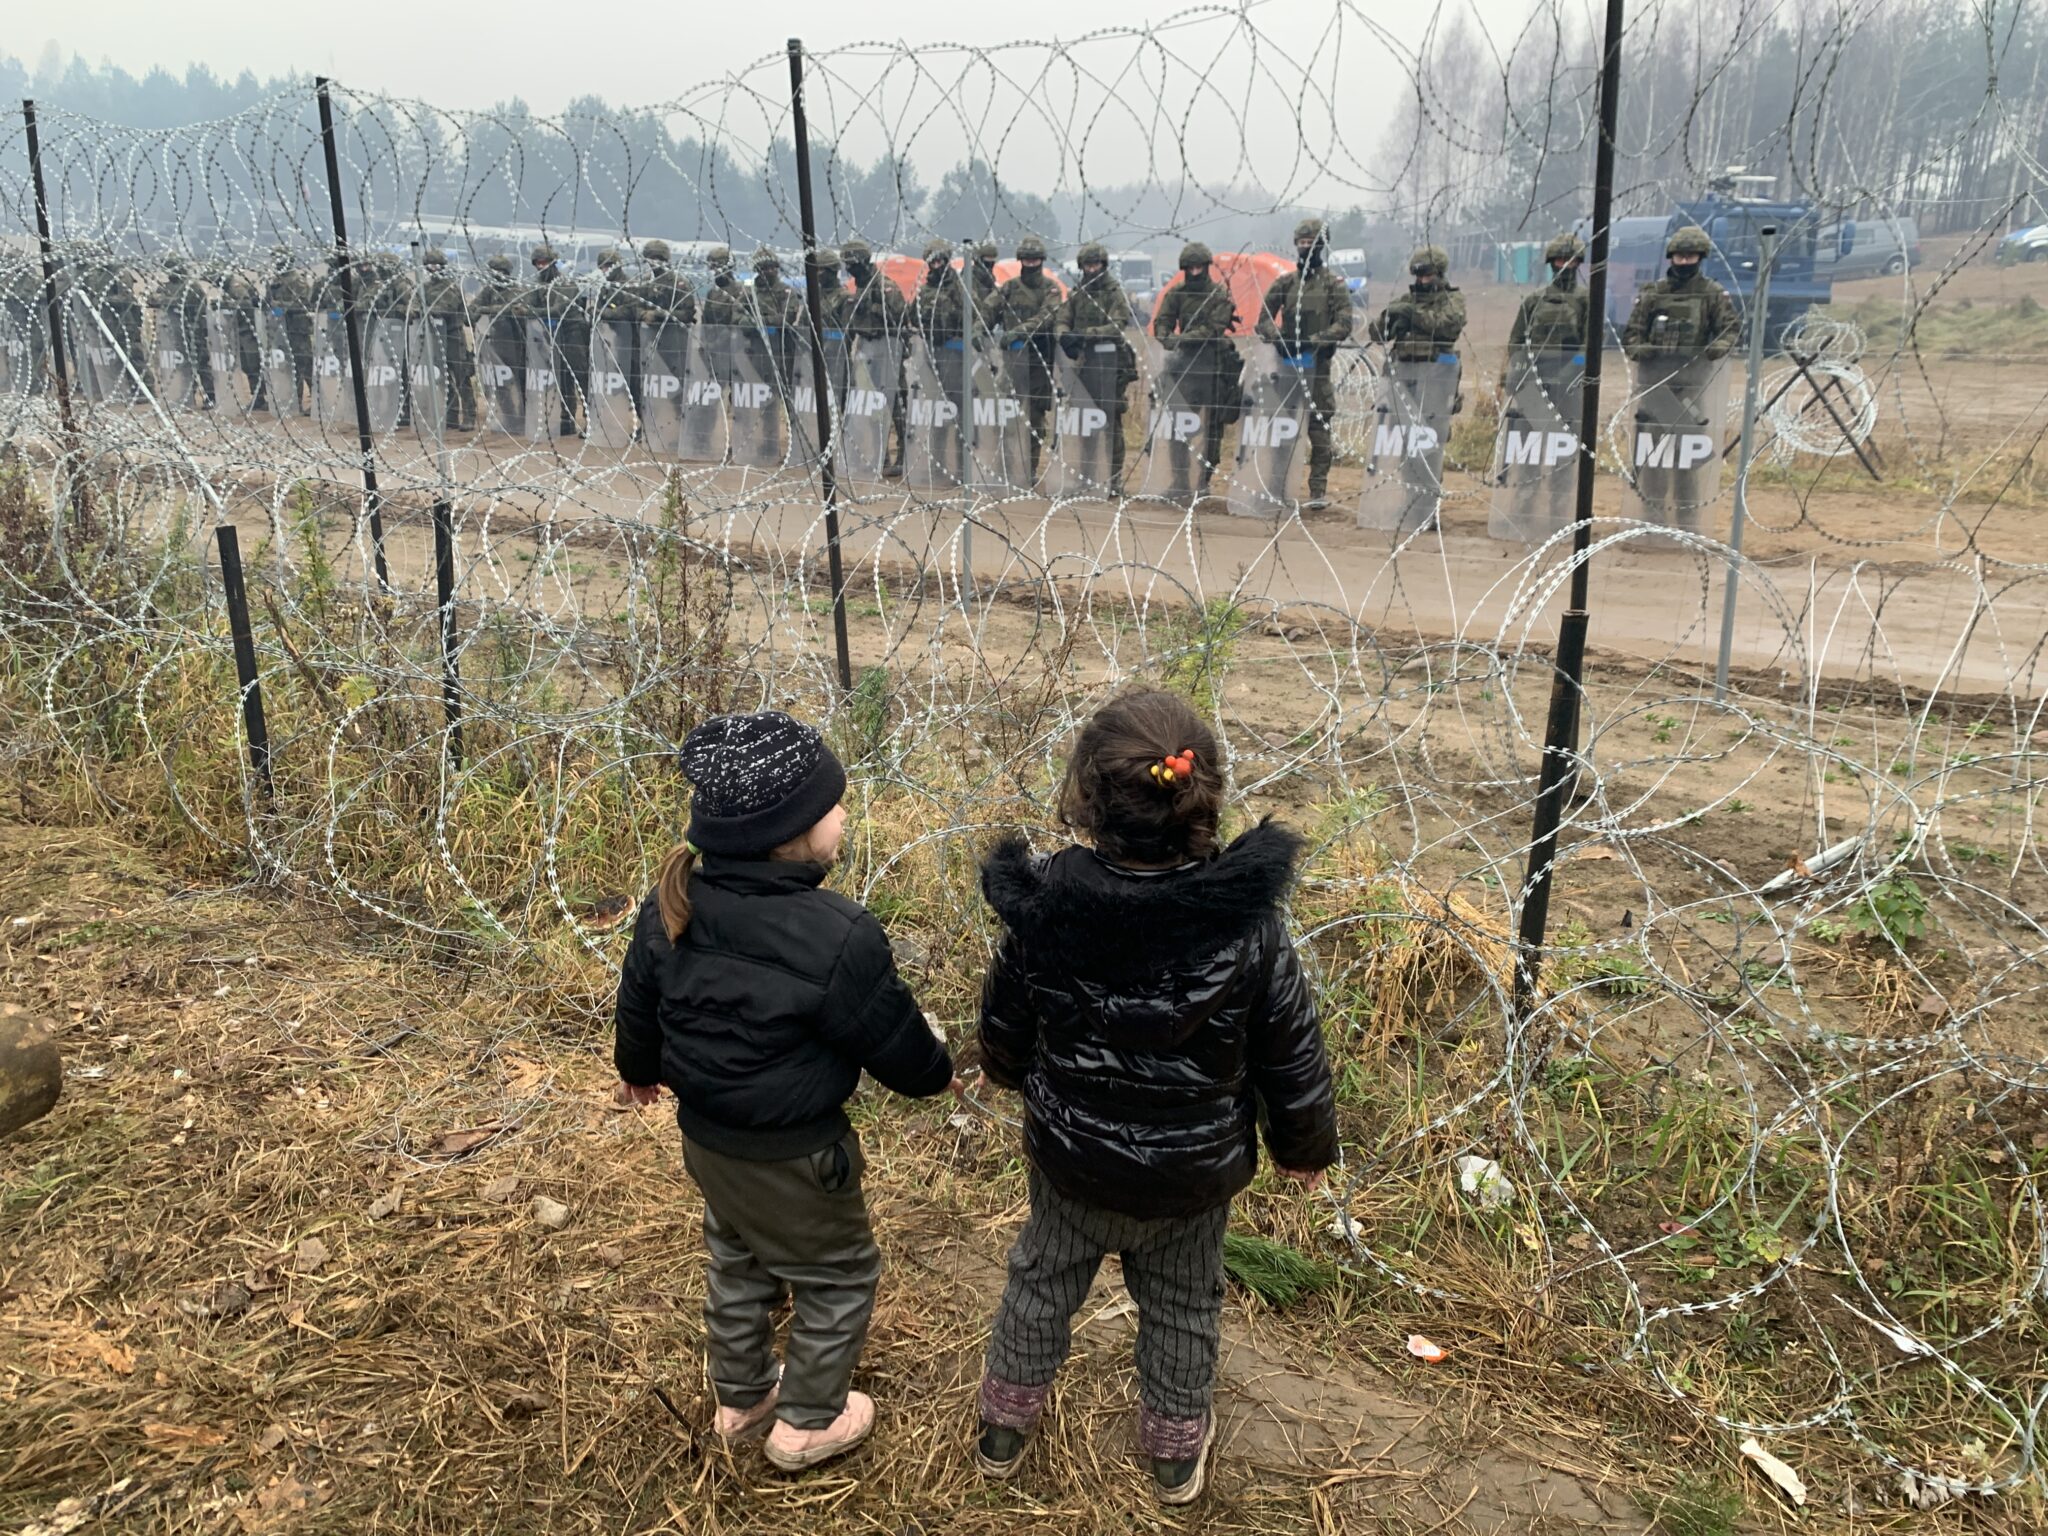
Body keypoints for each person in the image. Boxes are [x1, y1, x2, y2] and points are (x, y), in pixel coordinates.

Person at [971, 688, 1338, 1505]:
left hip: (1071, 1164)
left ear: (1087, 799)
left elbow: (1005, 1019)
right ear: (1202, 796)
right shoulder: (1247, 926)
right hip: (1191, 1179)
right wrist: (1303, 1148)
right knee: (1181, 1305)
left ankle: (1003, 1427)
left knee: (1039, 1283)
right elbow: (1291, 1047)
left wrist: (1003, 1070)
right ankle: (1174, 1454)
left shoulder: (1046, 906)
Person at [612, 710, 957, 1472]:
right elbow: (900, 1053)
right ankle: (806, 1424)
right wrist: (939, 1067)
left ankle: (741, 1400)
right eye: (833, 804)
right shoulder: (839, 935)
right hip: (800, 1155)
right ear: (792, 833)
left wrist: (637, 1072)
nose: (843, 813)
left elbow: (638, 1008)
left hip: (707, 1138)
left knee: (737, 1260)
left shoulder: (672, 903)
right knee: (838, 1275)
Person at [1256, 218, 1353, 508]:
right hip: (1287, 368)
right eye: (1301, 243)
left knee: (1320, 434)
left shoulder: (1332, 284)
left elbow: (1345, 322)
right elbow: (1262, 318)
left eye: (1310, 244)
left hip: (1318, 368)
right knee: (1283, 433)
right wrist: (1279, 339)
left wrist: (1317, 339)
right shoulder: (1286, 283)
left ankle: (1317, 492)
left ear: (1321, 245)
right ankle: (1277, 487)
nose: (1304, 248)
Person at [1151, 241, 1240, 496]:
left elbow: (1214, 329)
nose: (1195, 271)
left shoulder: (1219, 296)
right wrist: (1167, 338)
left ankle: (1202, 482)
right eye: (1190, 267)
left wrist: (1183, 339)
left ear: (1206, 267)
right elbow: (1162, 321)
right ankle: (1179, 481)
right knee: (1180, 427)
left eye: (1199, 266)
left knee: (1212, 431)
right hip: (1184, 368)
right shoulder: (1176, 294)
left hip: (1213, 368)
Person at [1060, 242, 1140, 492]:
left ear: (1103, 266)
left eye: (1095, 265)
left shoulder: (1113, 292)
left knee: (1111, 423)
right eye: (1087, 265)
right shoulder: (1078, 293)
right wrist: (1064, 337)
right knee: (1086, 424)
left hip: (1109, 365)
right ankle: (1087, 474)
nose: (1091, 269)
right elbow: (1063, 318)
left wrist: (1084, 335)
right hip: (1084, 367)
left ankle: (1113, 479)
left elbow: (1117, 326)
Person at [990, 234, 1062, 483]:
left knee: (1034, 418)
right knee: (1007, 414)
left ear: (1041, 261)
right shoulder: (1009, 287)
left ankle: (1029, 470)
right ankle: (1007, 465)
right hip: (1013, 361)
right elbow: (989, 309)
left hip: (1039, 361)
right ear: (1021, 260)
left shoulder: (1051, 289)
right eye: (1027, 260)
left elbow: (1047, 317)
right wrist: (978, 328)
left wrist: (1017, 332)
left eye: (1035, 260)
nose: (1030, 264)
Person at [840, 237, 909, 477]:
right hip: (865, 350)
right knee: (871, 406)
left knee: (897, 405)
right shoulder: (857, 290)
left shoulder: (885, 287)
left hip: (888, 350)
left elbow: (903, 322)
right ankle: (881, 456)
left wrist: (879, 310)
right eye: (847, 264)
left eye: (853, 264)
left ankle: (903, 454)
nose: (850, 269)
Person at [1622, 225, 1738, 362]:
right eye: (1680, 256)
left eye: (1690, 257)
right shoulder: (1653, 292)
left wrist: (1720, 346)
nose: (1684, 262)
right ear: (1672, 257)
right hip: (1653, 372)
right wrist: (1640, 350)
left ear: (1699, 258)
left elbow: (1731, 329)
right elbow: (1632, 333)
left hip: (1698, 373)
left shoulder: (1712, 293)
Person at [527, 242, 588, 437]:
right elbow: (528, 304)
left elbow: (557, 310)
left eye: (544, 263)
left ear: (552, 263)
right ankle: (566, 419)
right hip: (553, 335)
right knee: (561, 379)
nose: (540, 266)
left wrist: (531, 311)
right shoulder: (539, 285)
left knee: (580, 377)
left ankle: (591, 419)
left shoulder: (565, 284)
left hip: (573, 332)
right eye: (537, 263)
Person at [1371, 245, 1467, 365]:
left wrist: (1412, 314)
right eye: (1419, 276)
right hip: (1403, 366)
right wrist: (1387, 318)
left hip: (1437, 366)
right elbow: (1377, 336)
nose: (1422, 280)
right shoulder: (1407, 299)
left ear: (1439, 274)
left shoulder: (1451, 299)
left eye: (1427, 275)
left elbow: (1446, 326)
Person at [1505, 232, 1590, 369]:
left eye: (1570, 261)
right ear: (1552, 263)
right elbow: (1516, 340)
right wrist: (1522, 367)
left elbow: (1589, 346)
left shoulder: (1585, 300)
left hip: (1572, 376)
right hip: (1535, 372)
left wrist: (1572, 370)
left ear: (1577, 263)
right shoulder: (1534, 300)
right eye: (1560, 261)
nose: (1565, 265)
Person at [632, 237, 697, 408]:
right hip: (649, 342)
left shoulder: (678, 283)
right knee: (647, 386)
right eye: (651, 258)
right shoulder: (645, 280)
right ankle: (648, 422)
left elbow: (687, 313)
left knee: (676, 386)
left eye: (659, 259)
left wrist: (658, 314)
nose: (655, 263)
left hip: (673, 343)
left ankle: (680, 419)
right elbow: (634, 306)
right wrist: (644, 314)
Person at [420, 248, 476, 431]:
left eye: (436, 265)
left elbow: (445, 307)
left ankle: (469, 415)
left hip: (453, 336)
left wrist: (424, 310)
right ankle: (452, 415)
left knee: (461, 375)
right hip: (435, 336)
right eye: (430, 266)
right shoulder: (425, 287)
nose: (433, 269)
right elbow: (414, 304)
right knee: (444, 377)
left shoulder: (451, 287)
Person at [261, 246, 314, 416]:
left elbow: (304, 304)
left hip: (298, 330)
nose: (276, 262)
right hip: (281, 332)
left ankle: (318, 402)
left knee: (305, 365)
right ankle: (295, 401)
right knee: (290, 368)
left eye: (279, 259)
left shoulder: (297, 280)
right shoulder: (275, 281)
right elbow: (267, 303)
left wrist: (281, 307)